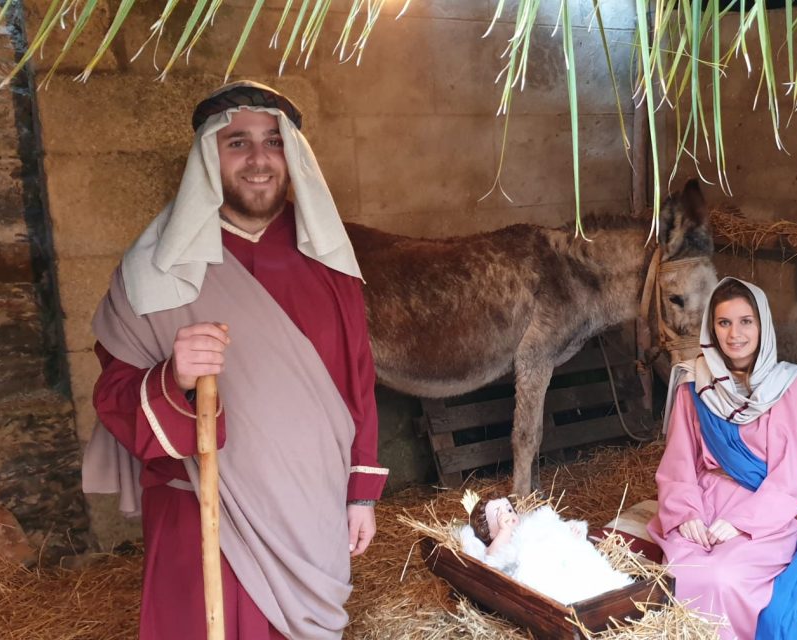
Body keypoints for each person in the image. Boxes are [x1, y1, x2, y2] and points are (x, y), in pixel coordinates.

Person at [81, 81, 387, 640]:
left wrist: (360, 493)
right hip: (206, 512)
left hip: (311, 507)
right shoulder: (153, 270)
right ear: (206, 156)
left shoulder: (328, 259)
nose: (259, 160)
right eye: (237, 143)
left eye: (273, 142)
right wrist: (173, 379)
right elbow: (114, 396)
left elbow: (357, 382)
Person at [649, 278, 797, 639]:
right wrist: (685, 512)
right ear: (712, 328)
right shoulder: (694, 385)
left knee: (724, 576)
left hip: (767, 509)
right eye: (724, 323)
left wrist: (743, 522)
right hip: (705, 500)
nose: (734, 334)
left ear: (763, 326)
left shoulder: (789, 388)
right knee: (681, 569)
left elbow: (789, 479)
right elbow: (678, 460)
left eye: (746, 321)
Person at [458, 491, 632, 604]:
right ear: (488, 531)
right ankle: (584, 597)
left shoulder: (533, 522)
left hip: (562, 554)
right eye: (499, 515)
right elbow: (492, 560)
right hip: (543, 567)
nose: (507, 516)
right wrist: (504, 531)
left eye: (509, 510)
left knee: (585, 564)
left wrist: (570, 529)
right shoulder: (503, 546)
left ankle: (609, 587)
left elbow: (552, 527)